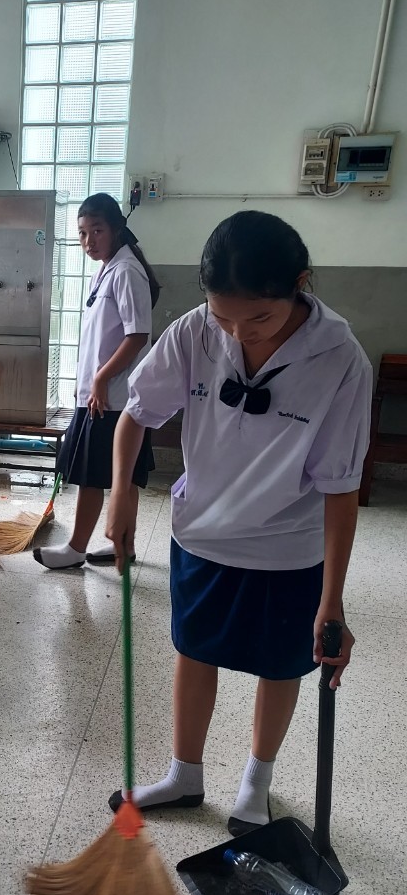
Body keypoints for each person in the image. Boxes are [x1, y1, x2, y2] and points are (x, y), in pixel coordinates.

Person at [105, 211, 372, 835]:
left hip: (287, 547)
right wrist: (122, 494)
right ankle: (184, 774)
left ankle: (256, 783)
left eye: (259, 319)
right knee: (194, 651)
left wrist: (332, 598)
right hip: (202, 533)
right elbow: (136, 414)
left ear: (299, 286)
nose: (239, 333)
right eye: (224, 317)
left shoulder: (341, 360)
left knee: (280, 666)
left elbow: (341, 487)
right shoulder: (194, 332)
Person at [34, 192, 160, 569]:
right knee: (122, 475)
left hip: (113, 396)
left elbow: (137, 336)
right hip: (99, 393)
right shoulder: (107, 269)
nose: (89, 241)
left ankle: (75, 548)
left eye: (97, 231)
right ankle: (126, 546)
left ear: (117, 229)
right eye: (82, 233)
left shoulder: (126, 271)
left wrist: (102, 378)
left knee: (93, 476)